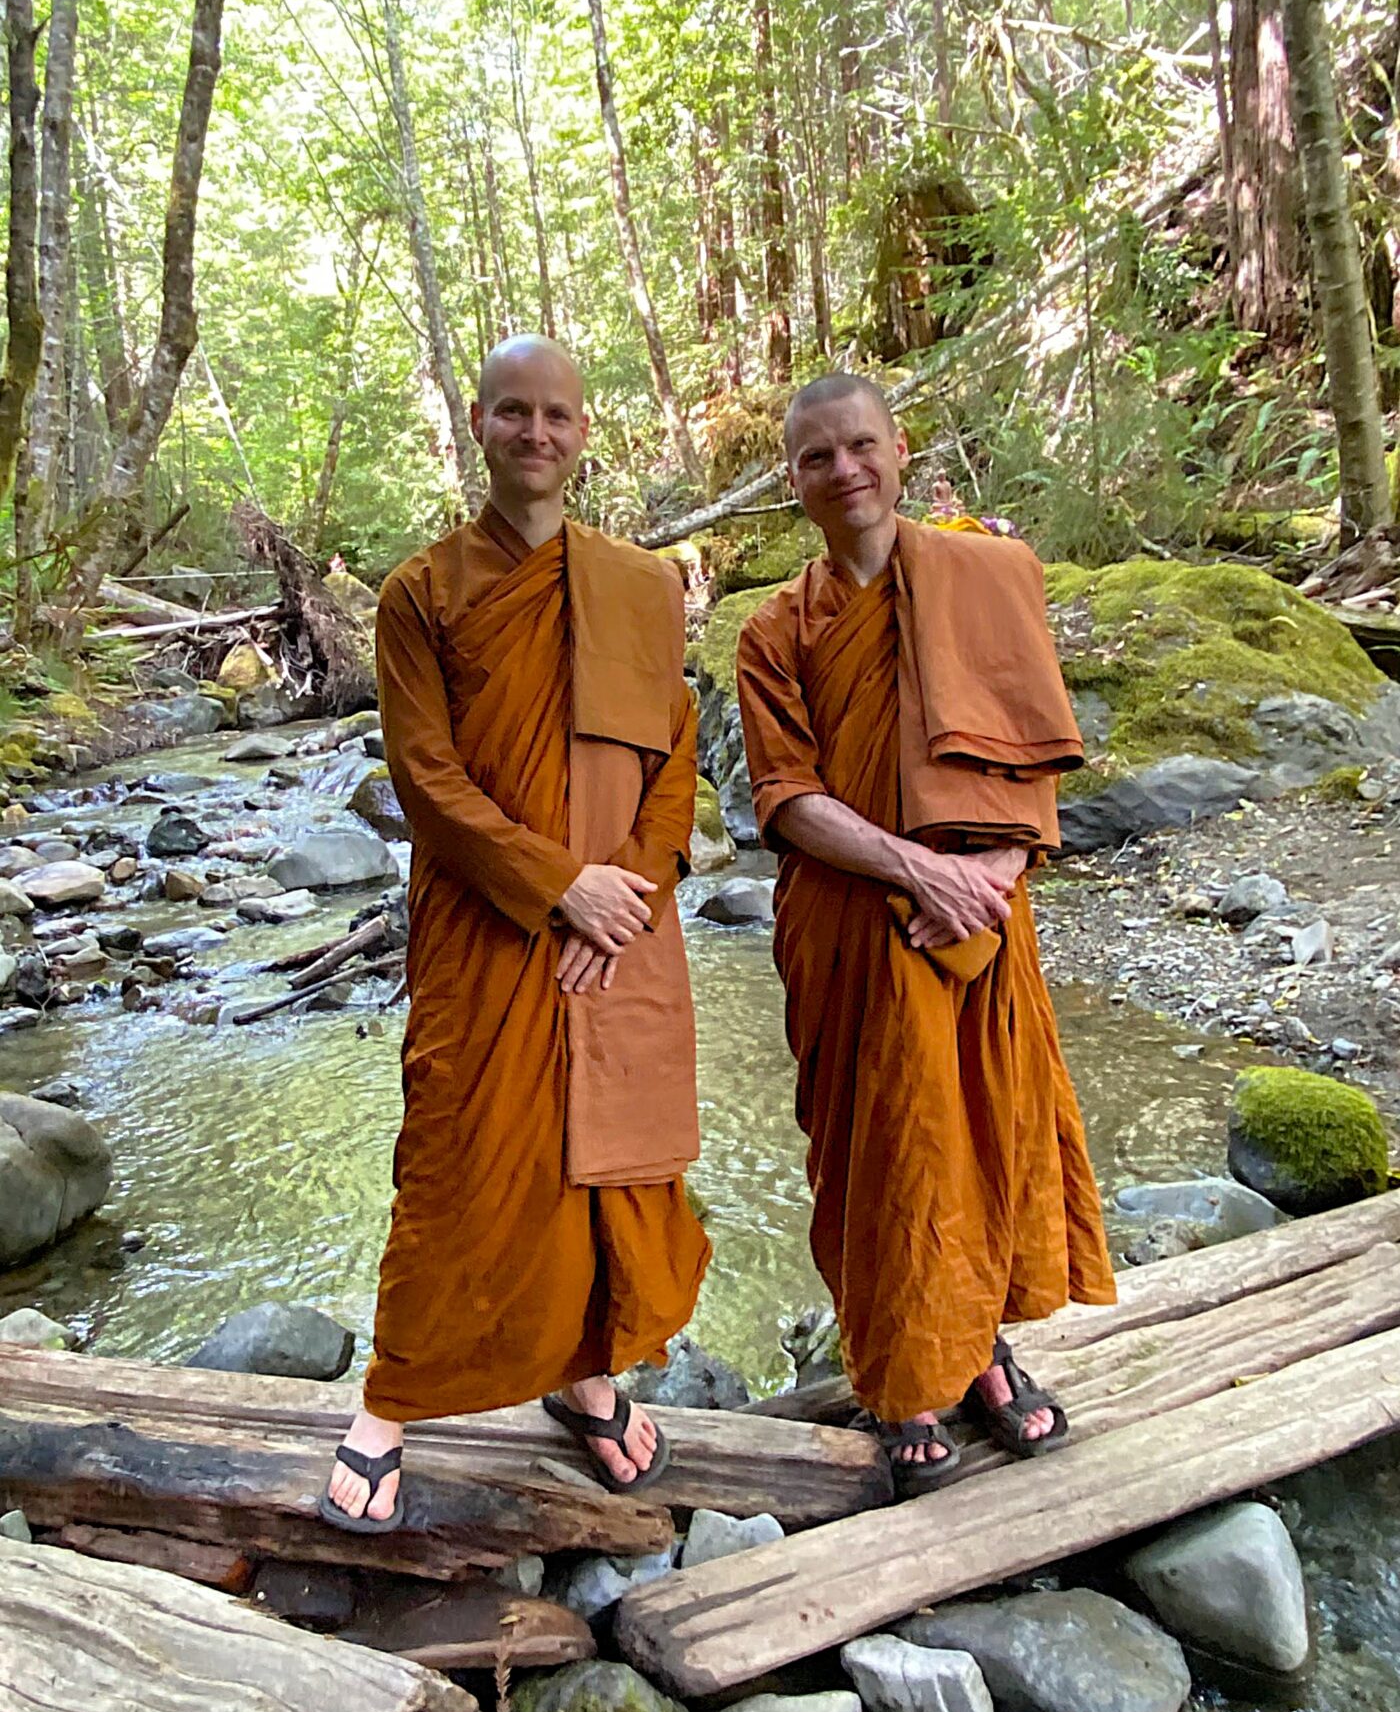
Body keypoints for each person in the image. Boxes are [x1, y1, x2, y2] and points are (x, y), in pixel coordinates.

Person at [321, 335, 711, 1530]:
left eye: (555, 414)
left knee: (603, 1159)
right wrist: (556, 885)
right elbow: (424, 777)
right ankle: (389, 1401)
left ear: (583, 433)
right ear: (478, 426)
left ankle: (583, 1373)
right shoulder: (421, 593)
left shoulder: (640, 587)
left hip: (618, 929)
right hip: (484, 926)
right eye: (511, 412)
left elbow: (676, 753)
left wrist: (624, 890)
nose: (535, 433)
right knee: (454, 1157)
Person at [735, 374, 1116, 1498]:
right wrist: (916, 871)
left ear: (899, 451)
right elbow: (784, 797)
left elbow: (1033, 744)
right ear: (792, 478)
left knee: (988, 1126)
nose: (843, 470)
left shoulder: (982, 577)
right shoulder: (774, 632)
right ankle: (901, 1378)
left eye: (860, 445)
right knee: (882, 1147)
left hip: (985, 917)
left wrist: (990, 875)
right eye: (816, 456)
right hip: (853, 921)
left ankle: (981, 1346)